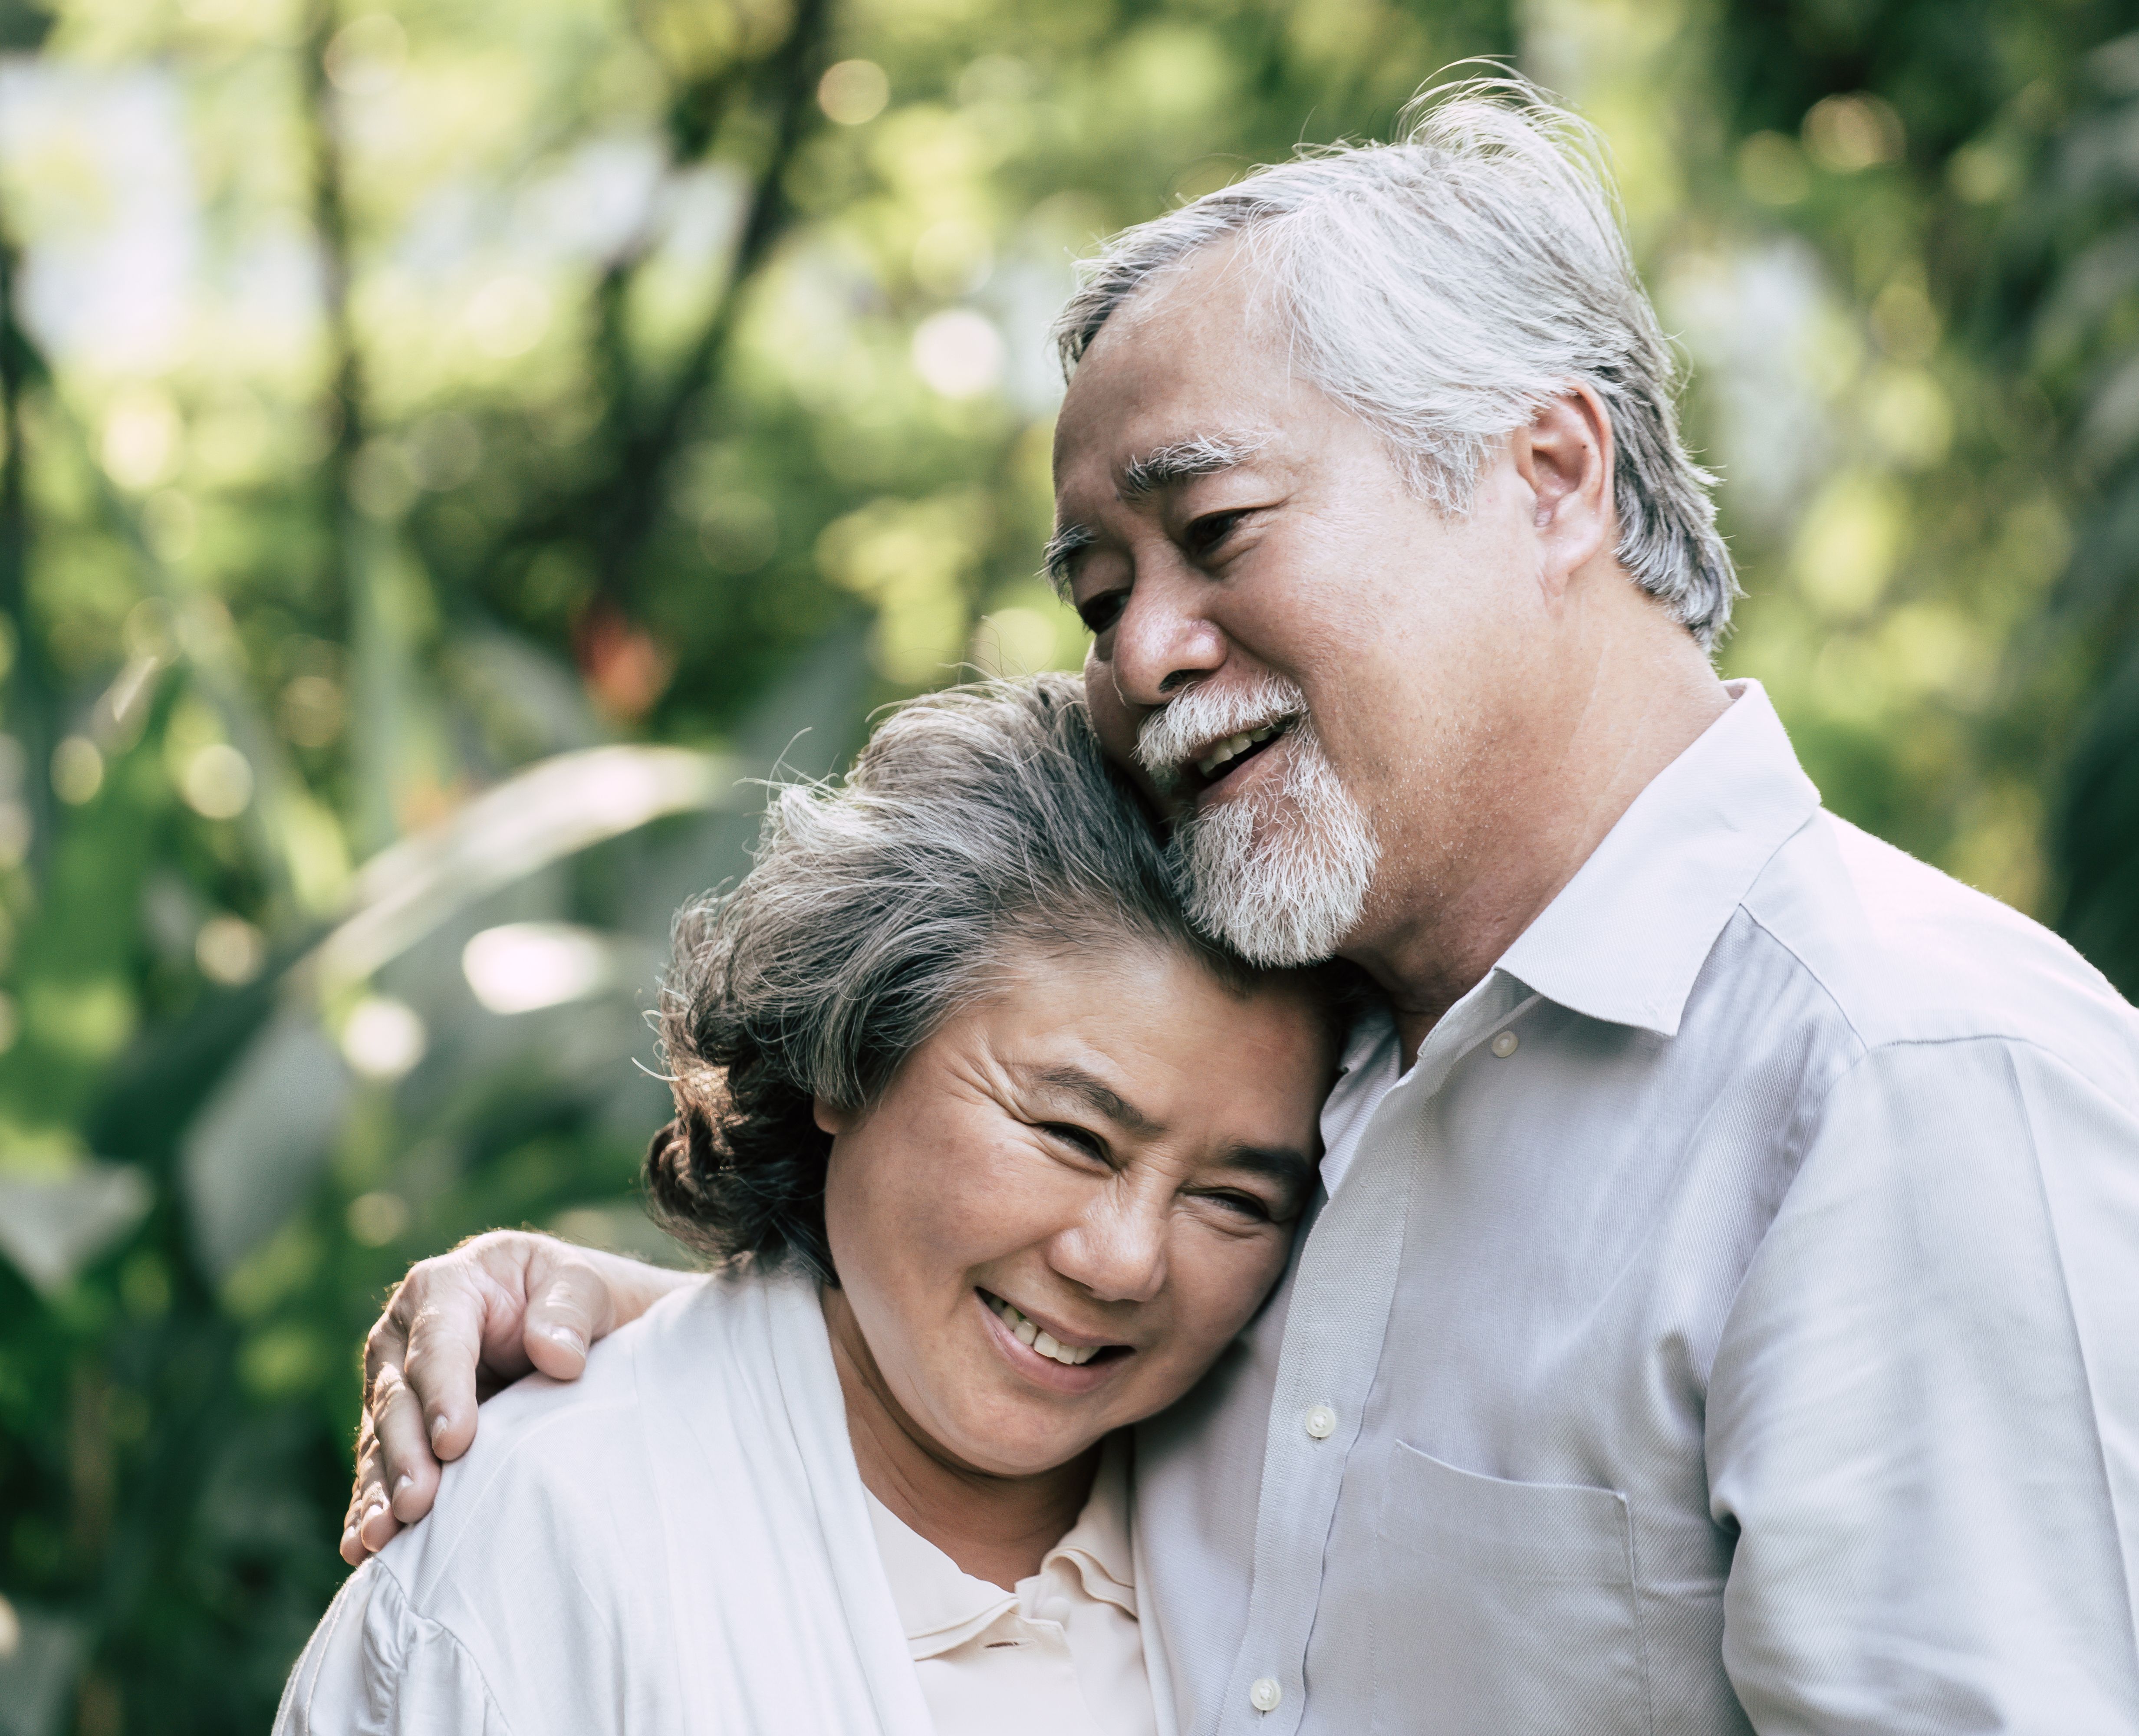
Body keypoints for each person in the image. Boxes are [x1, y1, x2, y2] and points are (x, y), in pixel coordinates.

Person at [343, 80, 2139, 1731]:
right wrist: (662, 1359)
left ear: (1551, 475)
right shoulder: (1312, 1058)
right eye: (1098, 594)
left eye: (1215, 528)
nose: (1141, 651)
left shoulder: (1908, 1081)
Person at [279, 676, 1345, 1734]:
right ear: (849, 1052)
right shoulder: (549, 1545)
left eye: (1233, 1198)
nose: (1123, 1261)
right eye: (1071, 1135)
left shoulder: (1305, 1540)